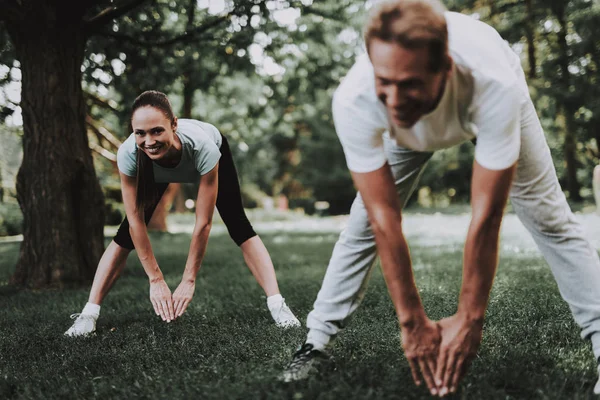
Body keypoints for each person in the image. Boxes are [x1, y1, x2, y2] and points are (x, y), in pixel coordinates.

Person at [281, 0, 600, 396]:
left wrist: (470, 318)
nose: (395, 99)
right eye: (385, 82)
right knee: (363, 222)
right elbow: (384, 219)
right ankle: (315, 343)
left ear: (444, 69)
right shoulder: (357, 99)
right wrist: (411, 321)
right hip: (406, 131)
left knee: (548, 216)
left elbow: (485, 217)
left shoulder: (493, 85)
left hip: (480, 105)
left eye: (409, 82)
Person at [65, 90, 300, 337]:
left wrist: (188, 280)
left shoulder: (204, 148)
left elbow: (203, 223)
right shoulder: (131, 154)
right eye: (140, 133)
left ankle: (277, 305)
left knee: (238, 225)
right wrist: (155, 280)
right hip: (155, 169)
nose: (149, 140)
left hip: (206, 152)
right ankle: (88, 315)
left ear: (174, 124)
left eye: (157, 130)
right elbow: (135, 222)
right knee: (125, 234)